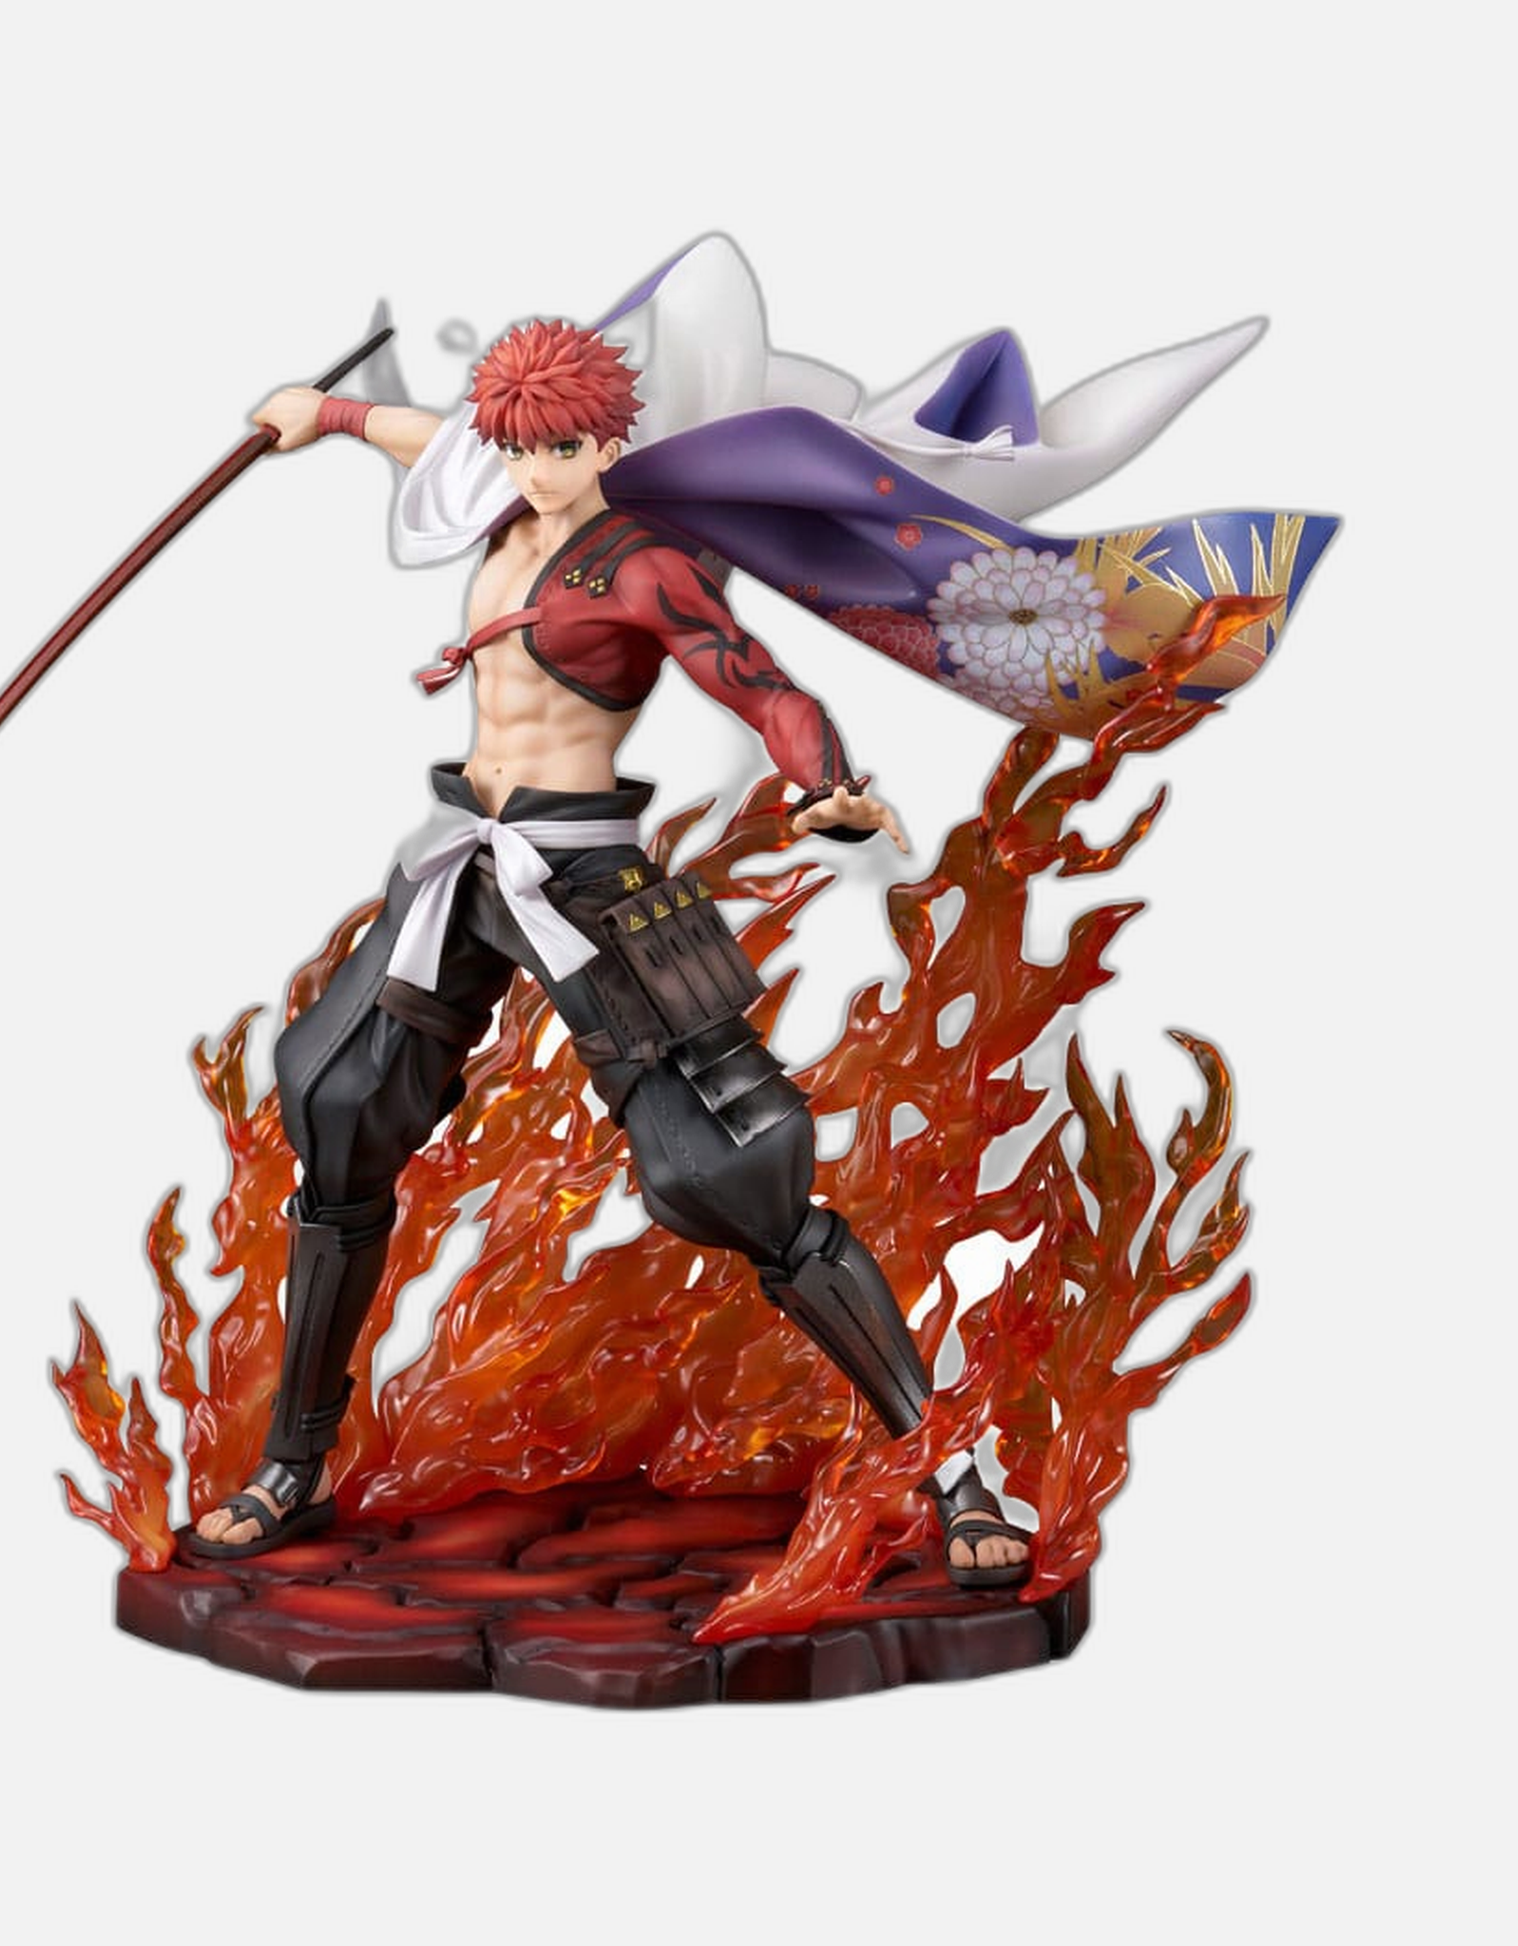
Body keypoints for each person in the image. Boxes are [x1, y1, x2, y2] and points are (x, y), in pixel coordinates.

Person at [180, 320, 1031, 1587]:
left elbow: (759, 685)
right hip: (461, 859)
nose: (535, 471)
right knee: (337, 1105)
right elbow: (434, 441)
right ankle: (290, 1465)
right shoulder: (495, 501)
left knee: (737, 1167)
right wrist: (328, 413)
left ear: (608, 441)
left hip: (581, 876)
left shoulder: (641, 566)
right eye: (518, 448)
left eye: (561, 448)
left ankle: (951, 1466)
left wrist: (824, 784)